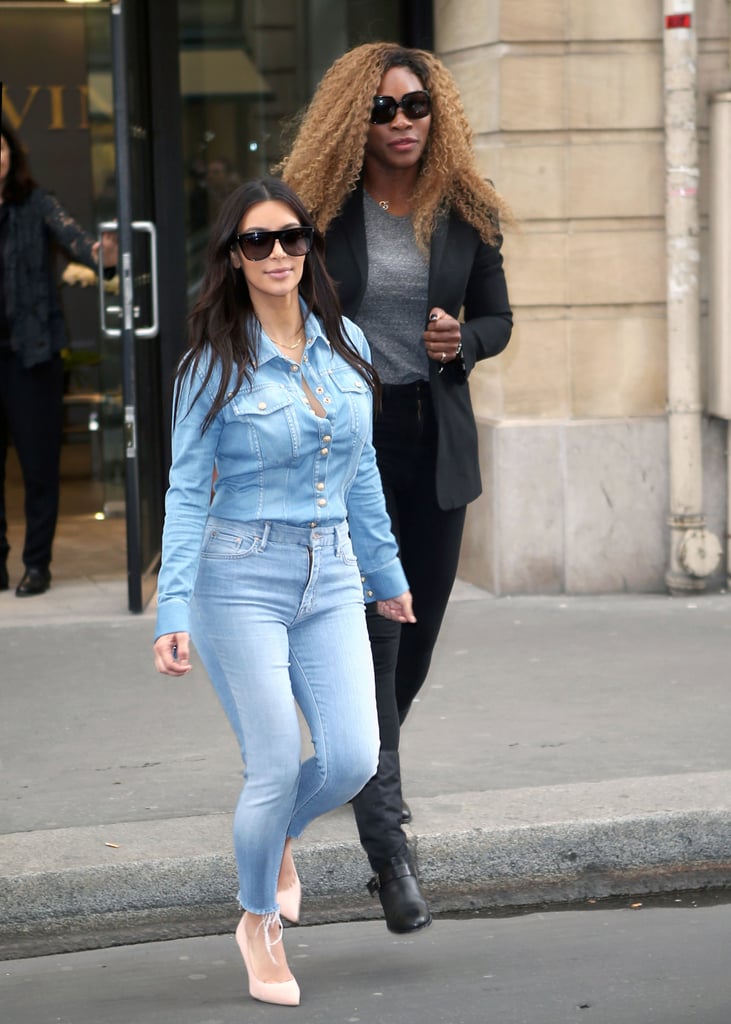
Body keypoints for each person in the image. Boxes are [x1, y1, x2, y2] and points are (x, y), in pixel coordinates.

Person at [152, 176, 415, 1007]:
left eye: (291, 238)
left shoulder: (350, 349)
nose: (276, 255)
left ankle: (275, 840)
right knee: (271, 763)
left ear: (310, 248)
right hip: (239, 578)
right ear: (233, 257)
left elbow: (362, 471)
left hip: (332, 573)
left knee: (350, 758)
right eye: (257, 242)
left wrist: (386, 574)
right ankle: (257, 917)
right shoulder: (210, 366)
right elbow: (187, 491)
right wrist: (172, 608)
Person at [279, 43, 513, 934]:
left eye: (414, 106)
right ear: (354, 119)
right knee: (378, 628)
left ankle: (362, 756)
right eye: (382, 109)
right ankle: (389, 835)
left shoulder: (466, 209)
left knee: (414, 640)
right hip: (349, 444)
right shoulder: (318, 212)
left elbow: (498, 313)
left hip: (433, 440)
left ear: (435, 112)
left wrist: (470, 341)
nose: (402, 121)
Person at [0, 121, 116, 596]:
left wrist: (102, 252)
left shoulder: (36, 204)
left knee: (39, 465)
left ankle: (36, 564)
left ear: (12, 152)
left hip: (32, 356)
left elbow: (77, 239)